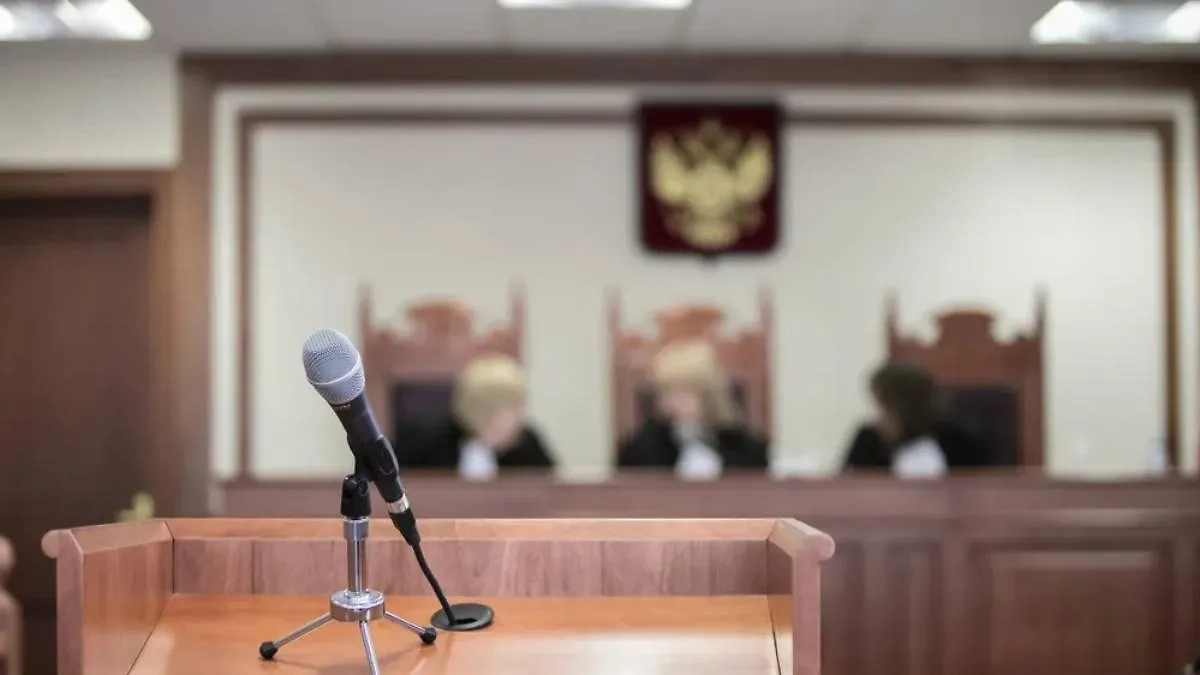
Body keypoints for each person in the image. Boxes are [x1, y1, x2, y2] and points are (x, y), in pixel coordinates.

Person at [618, 339, 768, 479]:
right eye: (667, 392)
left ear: (709, 395)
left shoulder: (742, 447)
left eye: (685, 391)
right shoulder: (642, 449)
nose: (674, 402)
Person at [395, 355, 555, 480]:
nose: (520, 416)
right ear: (485, 410)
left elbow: (551, 492)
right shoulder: (424, 441)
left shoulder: (528, 444)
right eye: (513, 407)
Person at [842, 361, 992, 477]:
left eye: (884, 407)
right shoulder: (868, 440)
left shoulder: (956, 440)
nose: (879, 416)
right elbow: (846, 487)